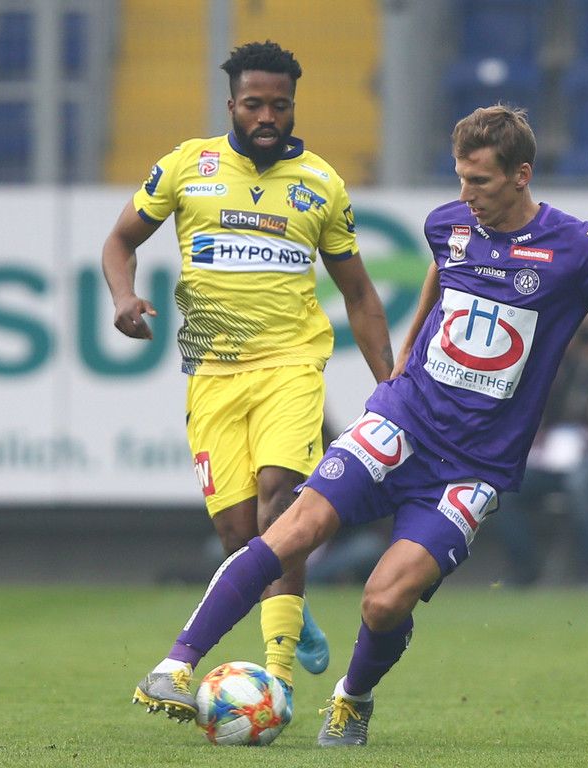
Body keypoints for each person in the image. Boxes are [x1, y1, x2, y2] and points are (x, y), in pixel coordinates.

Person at [129, 105, 588, 745]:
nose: (466, 195)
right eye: (461, 178)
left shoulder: (577, 247)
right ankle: (174, 665)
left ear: (522, 174)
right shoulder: (448, 224)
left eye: (481, 181)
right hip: (403, 421)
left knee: (383, 601)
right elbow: (441, 275)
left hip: (473, 465)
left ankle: (352, 697)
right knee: (293, 529)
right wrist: (400, 360)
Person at [102, 41, 393, 722]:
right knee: (241, 538)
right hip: (211, 372)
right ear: (231, 103)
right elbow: (120, 242)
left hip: (291, 365)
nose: (268, 117)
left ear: (293, 106)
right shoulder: (187, 166)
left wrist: (391, 387)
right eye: (255, 104)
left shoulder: (320, 183)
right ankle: (293, 611)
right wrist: (123, 297)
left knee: (279, 500)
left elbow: (359, 294)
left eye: (280, 105)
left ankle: (278, 677)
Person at [493, 306, 588, 585]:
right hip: (556, 454)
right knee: (504, 487)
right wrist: (562, 354)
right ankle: (524, 569)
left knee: (583, 482)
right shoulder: (565, 353)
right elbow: (534, 401)